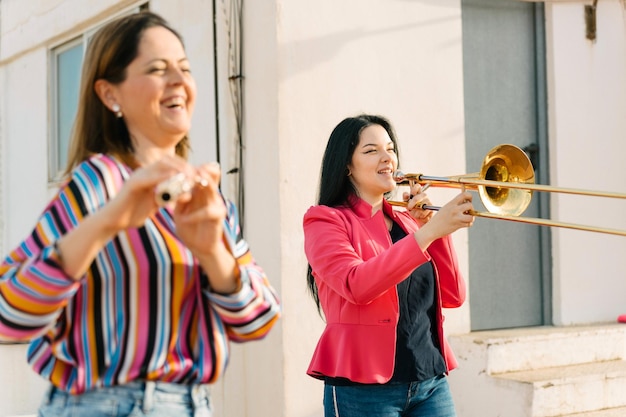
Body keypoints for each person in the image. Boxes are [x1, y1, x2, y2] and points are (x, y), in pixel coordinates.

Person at [0, 11, 280, 416]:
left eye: (184, 68)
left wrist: (213, 253)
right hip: (105, 406)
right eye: (157, 69)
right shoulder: (97, 182)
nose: (179, 81)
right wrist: (107, 221)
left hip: (192, 404)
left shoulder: (205, 196)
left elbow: (260, 319)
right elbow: (10, 314)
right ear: (110, 94)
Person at [303, 114, 474, 417]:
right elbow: (357, 285)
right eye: (371, 151)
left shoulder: (409, 221)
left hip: (429, 380)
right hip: (363, 389)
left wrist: (435, 230)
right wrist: (427, 234)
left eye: (391, 149)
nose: (388, 159)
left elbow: (453, 296)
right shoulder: (325, 220)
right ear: (346, 165)